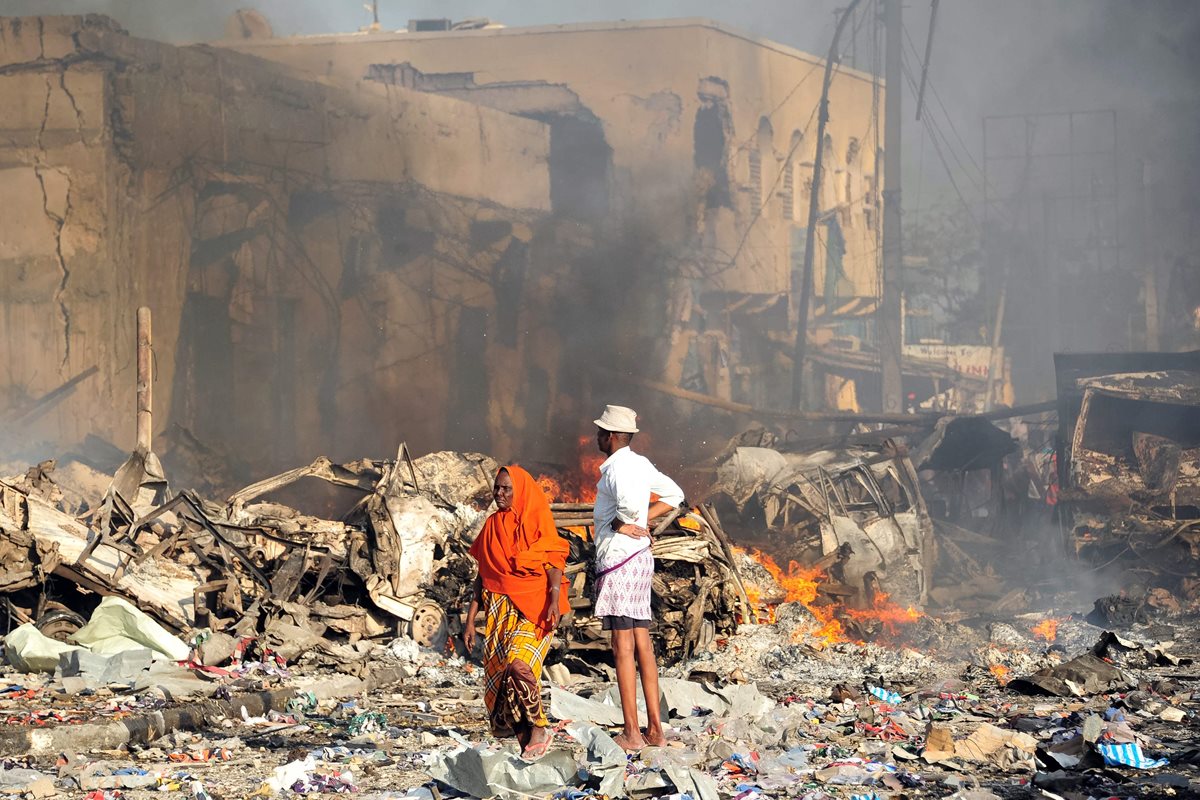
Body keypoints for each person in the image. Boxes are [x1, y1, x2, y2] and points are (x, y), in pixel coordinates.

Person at [591, 405, 685, 752]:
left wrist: (623, 523)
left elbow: (627, 510)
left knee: (622, 647)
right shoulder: (642, 463)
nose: (597, 437)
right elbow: (675, 496)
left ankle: (632, 732)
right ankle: (656, 730)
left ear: (613, 436)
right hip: (639, 558)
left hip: (620, 559)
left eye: (602, 432)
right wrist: (645, 523)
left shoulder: (617, 469)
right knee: (642, 642)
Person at [464, 465, 569, 760]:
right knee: (500, 681)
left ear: (519, 490)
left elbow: (553, 561)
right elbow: (482, 577)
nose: (499, 494)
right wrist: (471, 621)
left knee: (519, 666)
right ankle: (526, 742)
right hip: (498, 612)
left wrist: (554, 599)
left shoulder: (537, 519)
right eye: (496, 488)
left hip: (533, 610)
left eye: (506, 489)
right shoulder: (491, 526)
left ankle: (539, 727)